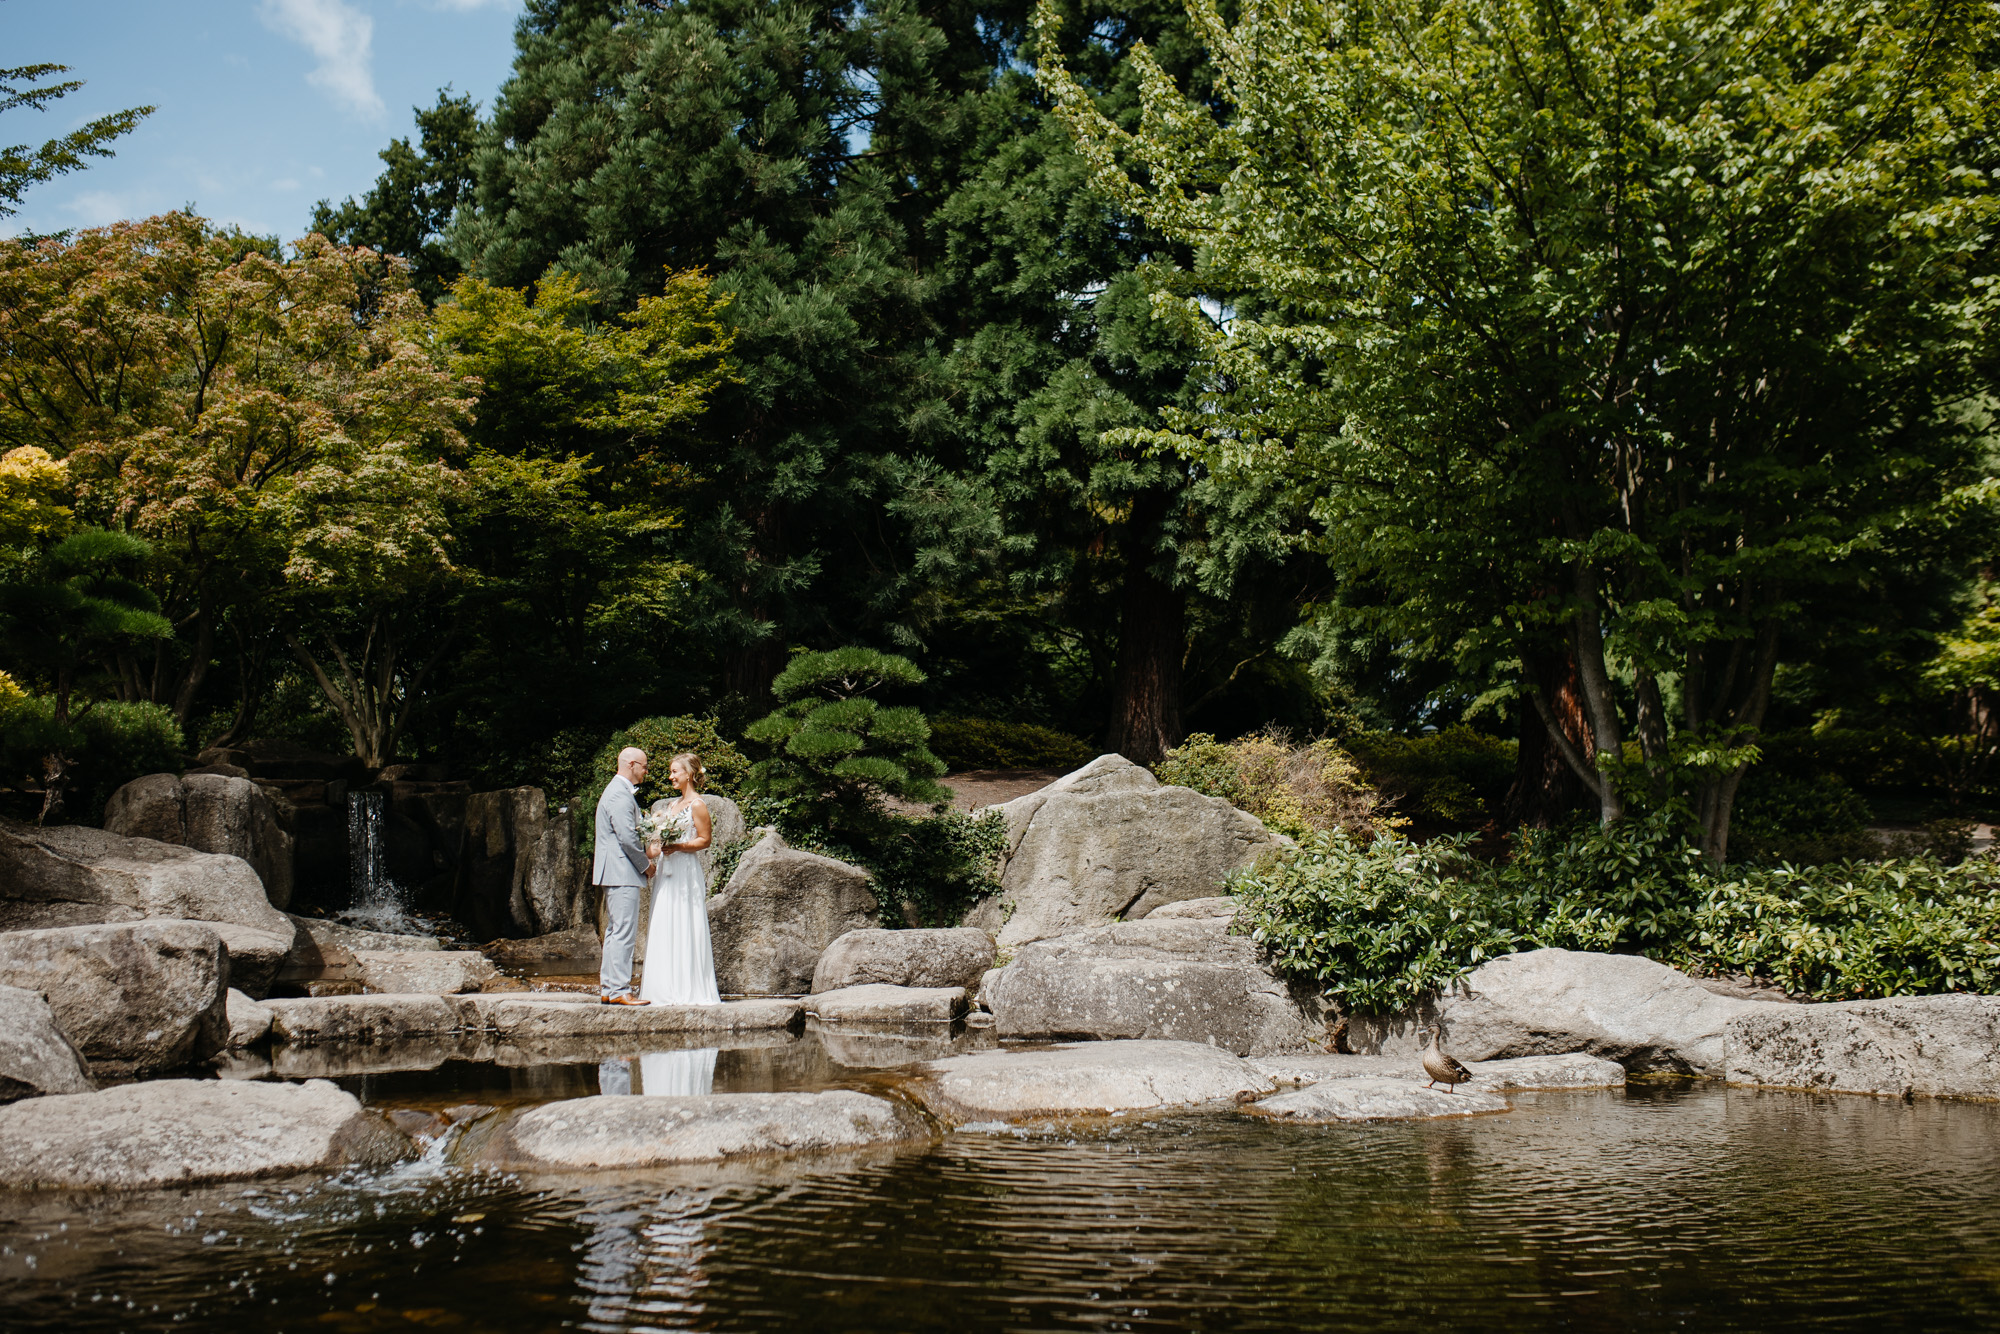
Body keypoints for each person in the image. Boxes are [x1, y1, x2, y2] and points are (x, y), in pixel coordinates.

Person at [637, 752, 721, 1005]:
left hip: (685, 871)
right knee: (664, 918)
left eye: (675, 771)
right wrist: (654, 846)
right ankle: (662, 988)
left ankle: (688, 988)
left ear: (690, 774)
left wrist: (679, 847)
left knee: (685, 920)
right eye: (671, 772)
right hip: (666, 869)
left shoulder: (698, 805)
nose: (671, 776)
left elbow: (704, 840)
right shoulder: (670, 807)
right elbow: (656, 840)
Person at [593, 746, 655, 1005]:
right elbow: (628, 838)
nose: (646, 771)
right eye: (644, 766)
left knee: (614, 931)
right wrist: (646, 865)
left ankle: (609, 988)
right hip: (621, 871)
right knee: (623, 932)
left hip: (615, 871)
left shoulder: (616, 791)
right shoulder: (619, 794)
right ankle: (619, 990)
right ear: (631, 764)